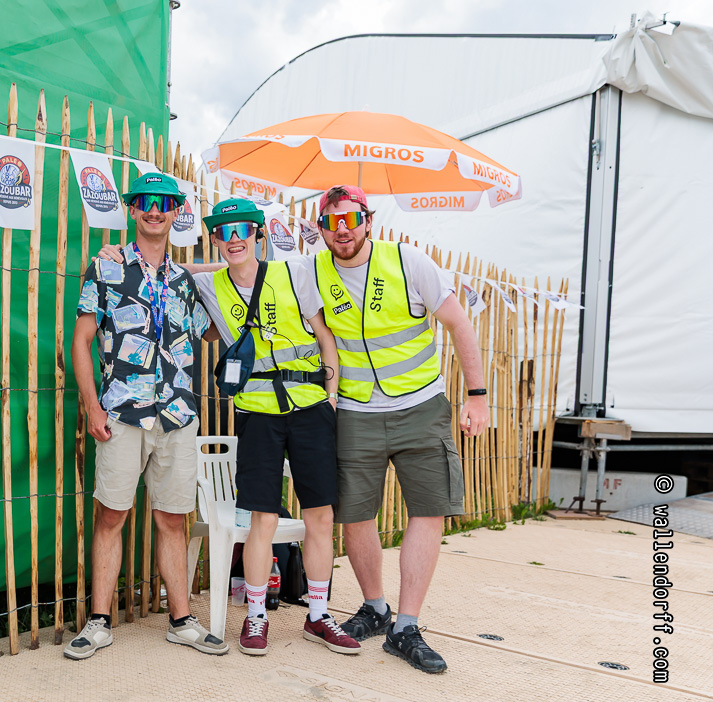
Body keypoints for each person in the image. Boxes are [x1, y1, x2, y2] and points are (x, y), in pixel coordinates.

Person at [306, 184, 488, 674]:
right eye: (331, 222)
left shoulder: (409, 261)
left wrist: (477, 395)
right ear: (320, 228)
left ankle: (406, 626)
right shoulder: (312, 270)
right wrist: (175, 269)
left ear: (368, 221)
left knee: (429, 509)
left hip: (421, 406)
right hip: (356, 410)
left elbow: (459, 324)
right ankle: (375, 607)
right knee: (355, 514)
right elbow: (245, 272)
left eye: (351, 220)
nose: (342, 231)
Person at [68, 172, 227, 660]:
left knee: (173, 519)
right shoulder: (106, 267)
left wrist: (221, 272)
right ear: (133, 209)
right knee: (111, 515)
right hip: (122, 412)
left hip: (177, 414)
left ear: (177, 211)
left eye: (164, 202)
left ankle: (181, 620)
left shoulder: (185, 281)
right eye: (145, 201)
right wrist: (92, 405)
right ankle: (98, 622)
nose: (155, 210)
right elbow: (81, 340)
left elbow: (208, 333)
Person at [194, 198, 358, 657]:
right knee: (261, 518)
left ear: (258, 234)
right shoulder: (210, 285)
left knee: (320, 514)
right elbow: (174, 269)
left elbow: (324, 334)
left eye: (243, 230)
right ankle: (256, 615)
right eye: (224, 232)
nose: (234, 239)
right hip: (257, 413)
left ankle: (318, 615)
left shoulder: (293, 273)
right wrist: (113, 254)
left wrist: (331, 395)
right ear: (214, 239)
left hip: (310, 407)